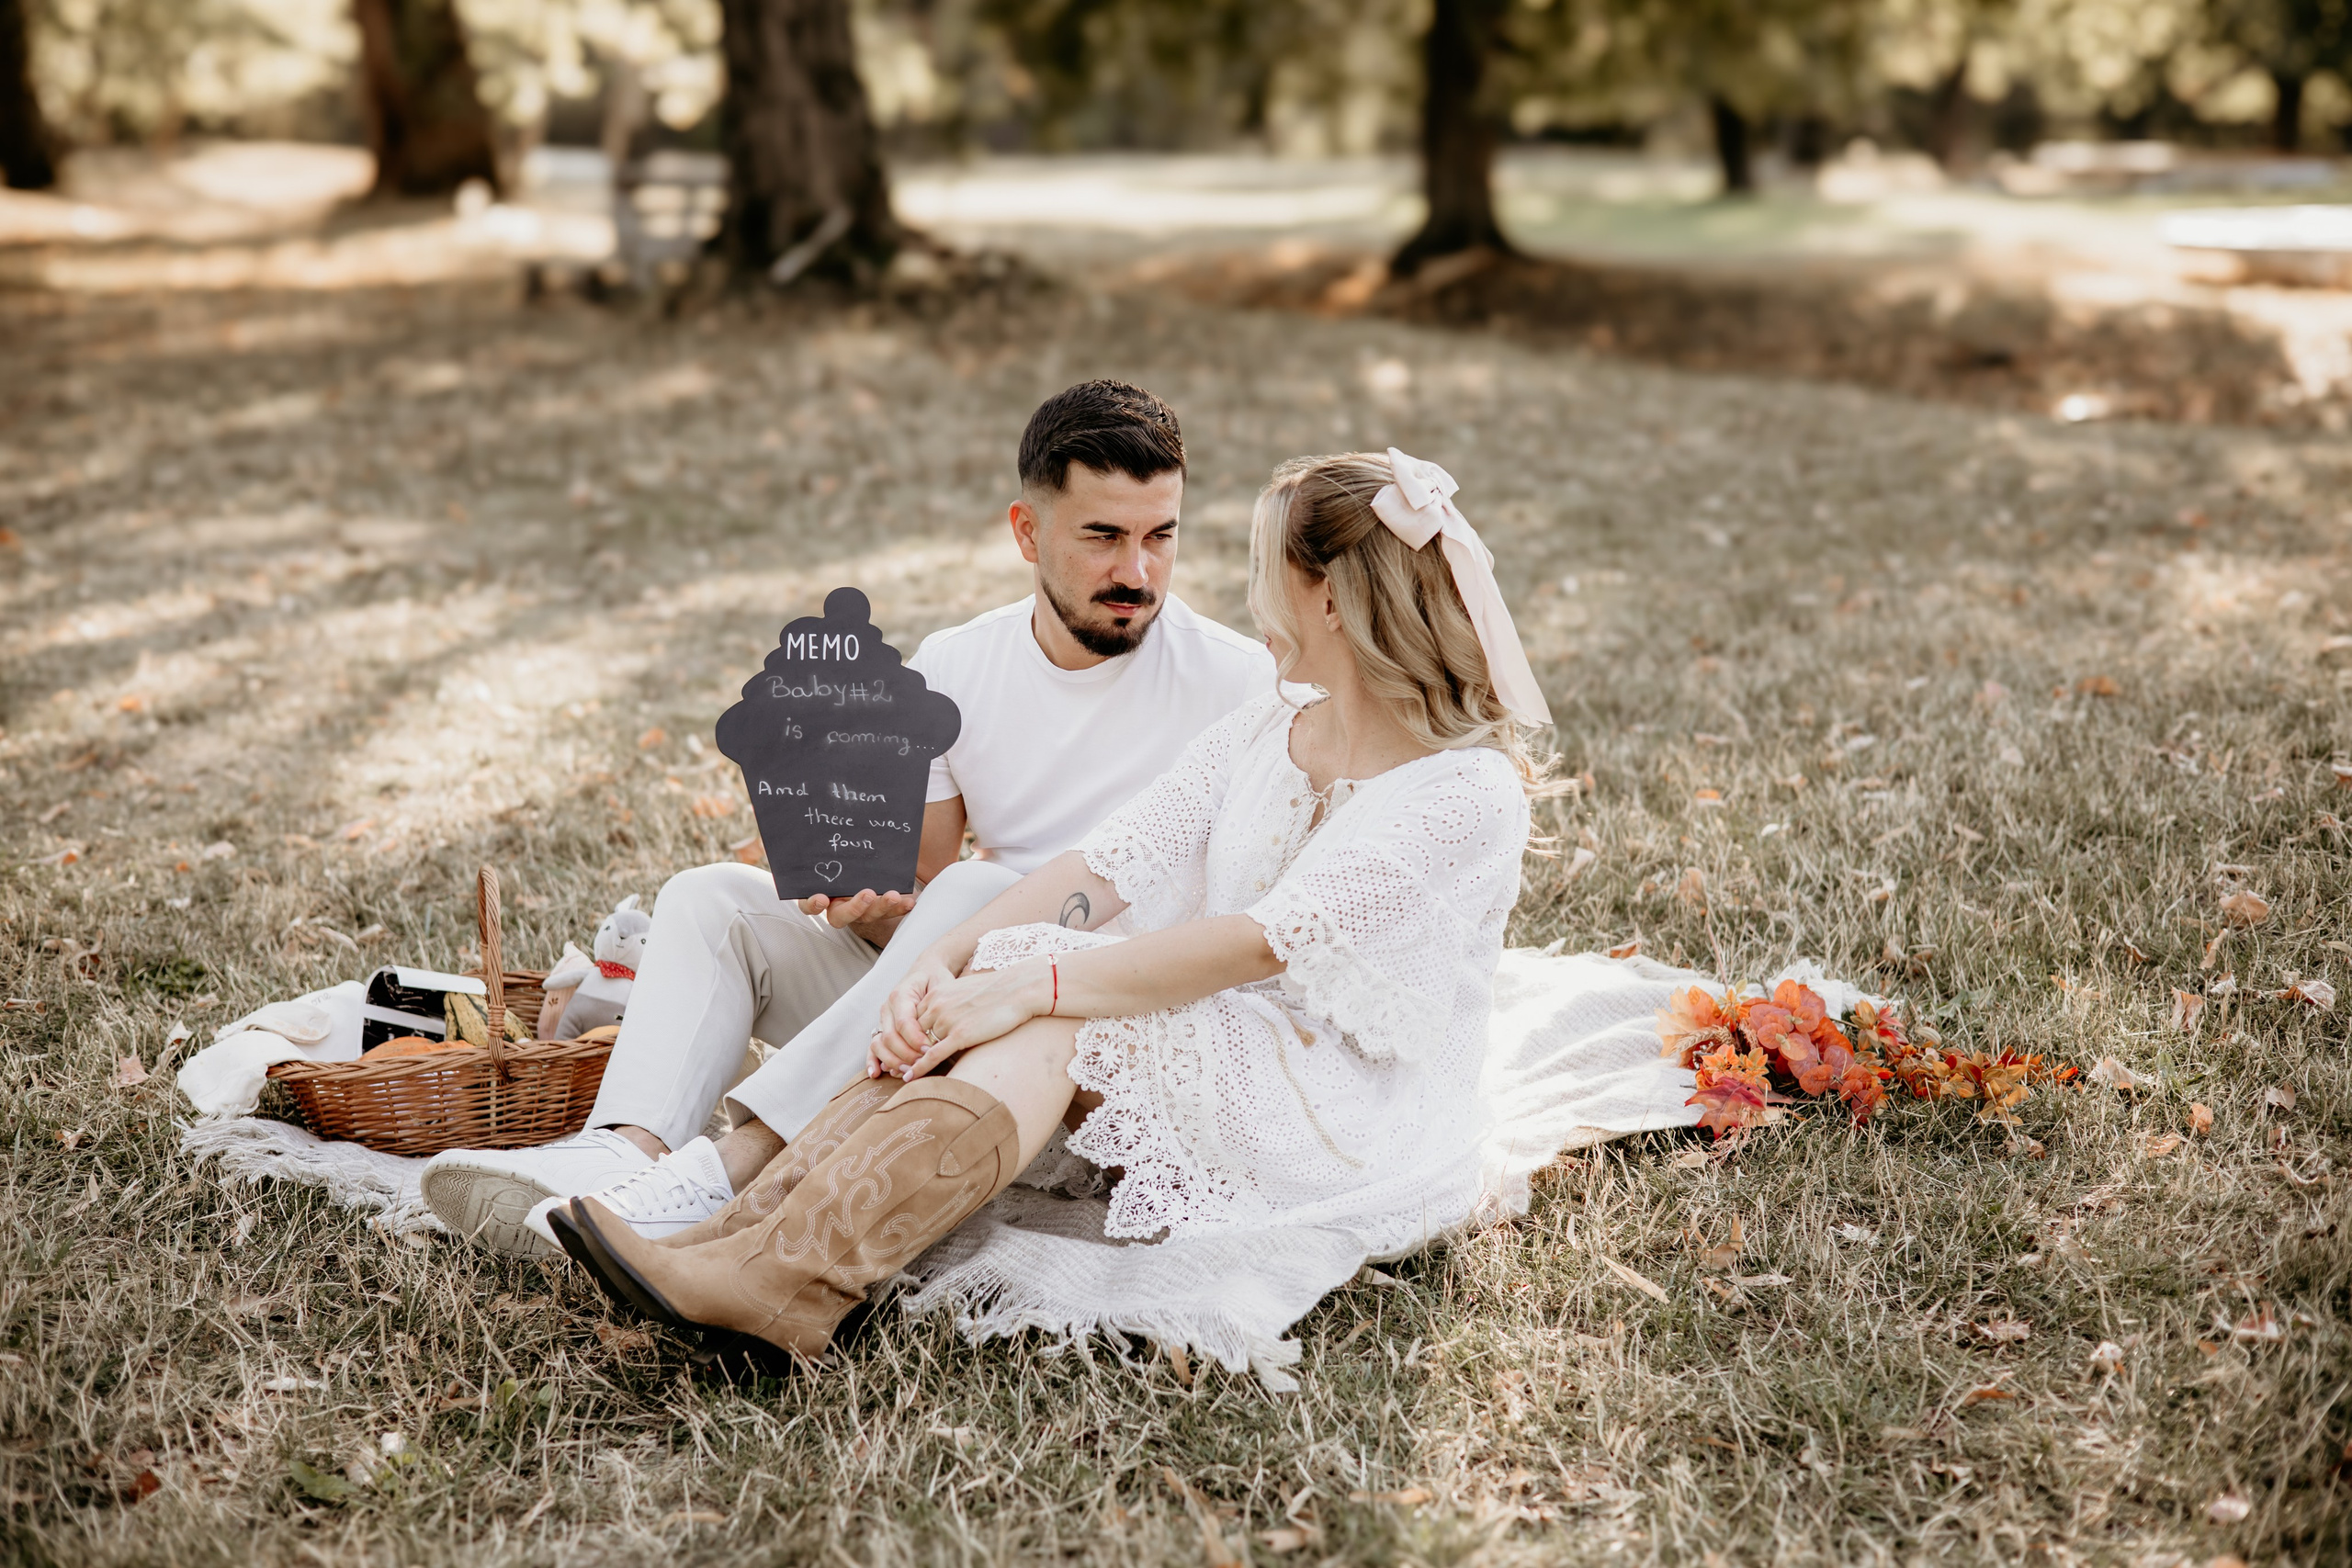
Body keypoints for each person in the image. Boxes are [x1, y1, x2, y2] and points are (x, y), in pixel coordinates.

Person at [548, 446, 1561, 1367]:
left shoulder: (1461, 792)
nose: (1247, 596)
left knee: (1056, 1012)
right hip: (1229, 1035)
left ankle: (784, 1285)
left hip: (1345, 1103)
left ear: (1331, 600)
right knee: (1014, 972)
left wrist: (1024, 981)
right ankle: (742, 1239)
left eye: (1267, 571)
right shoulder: (1272, 724)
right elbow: (1106, 864)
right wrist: (945, 964)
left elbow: (1255, 945)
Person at [419, 381, 1274, 1254]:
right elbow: (929, 892)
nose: (1137, 572)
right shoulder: (955, 665)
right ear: (1027, 531)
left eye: (1160, 536)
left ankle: (727, 1172)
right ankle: (617, 1158)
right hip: (939, 1012)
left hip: (1077, 1053)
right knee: (713, 898)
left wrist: (952, 917)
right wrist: (874, 911)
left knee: (980, 884)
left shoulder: (1238, 685)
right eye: (1103, 537)